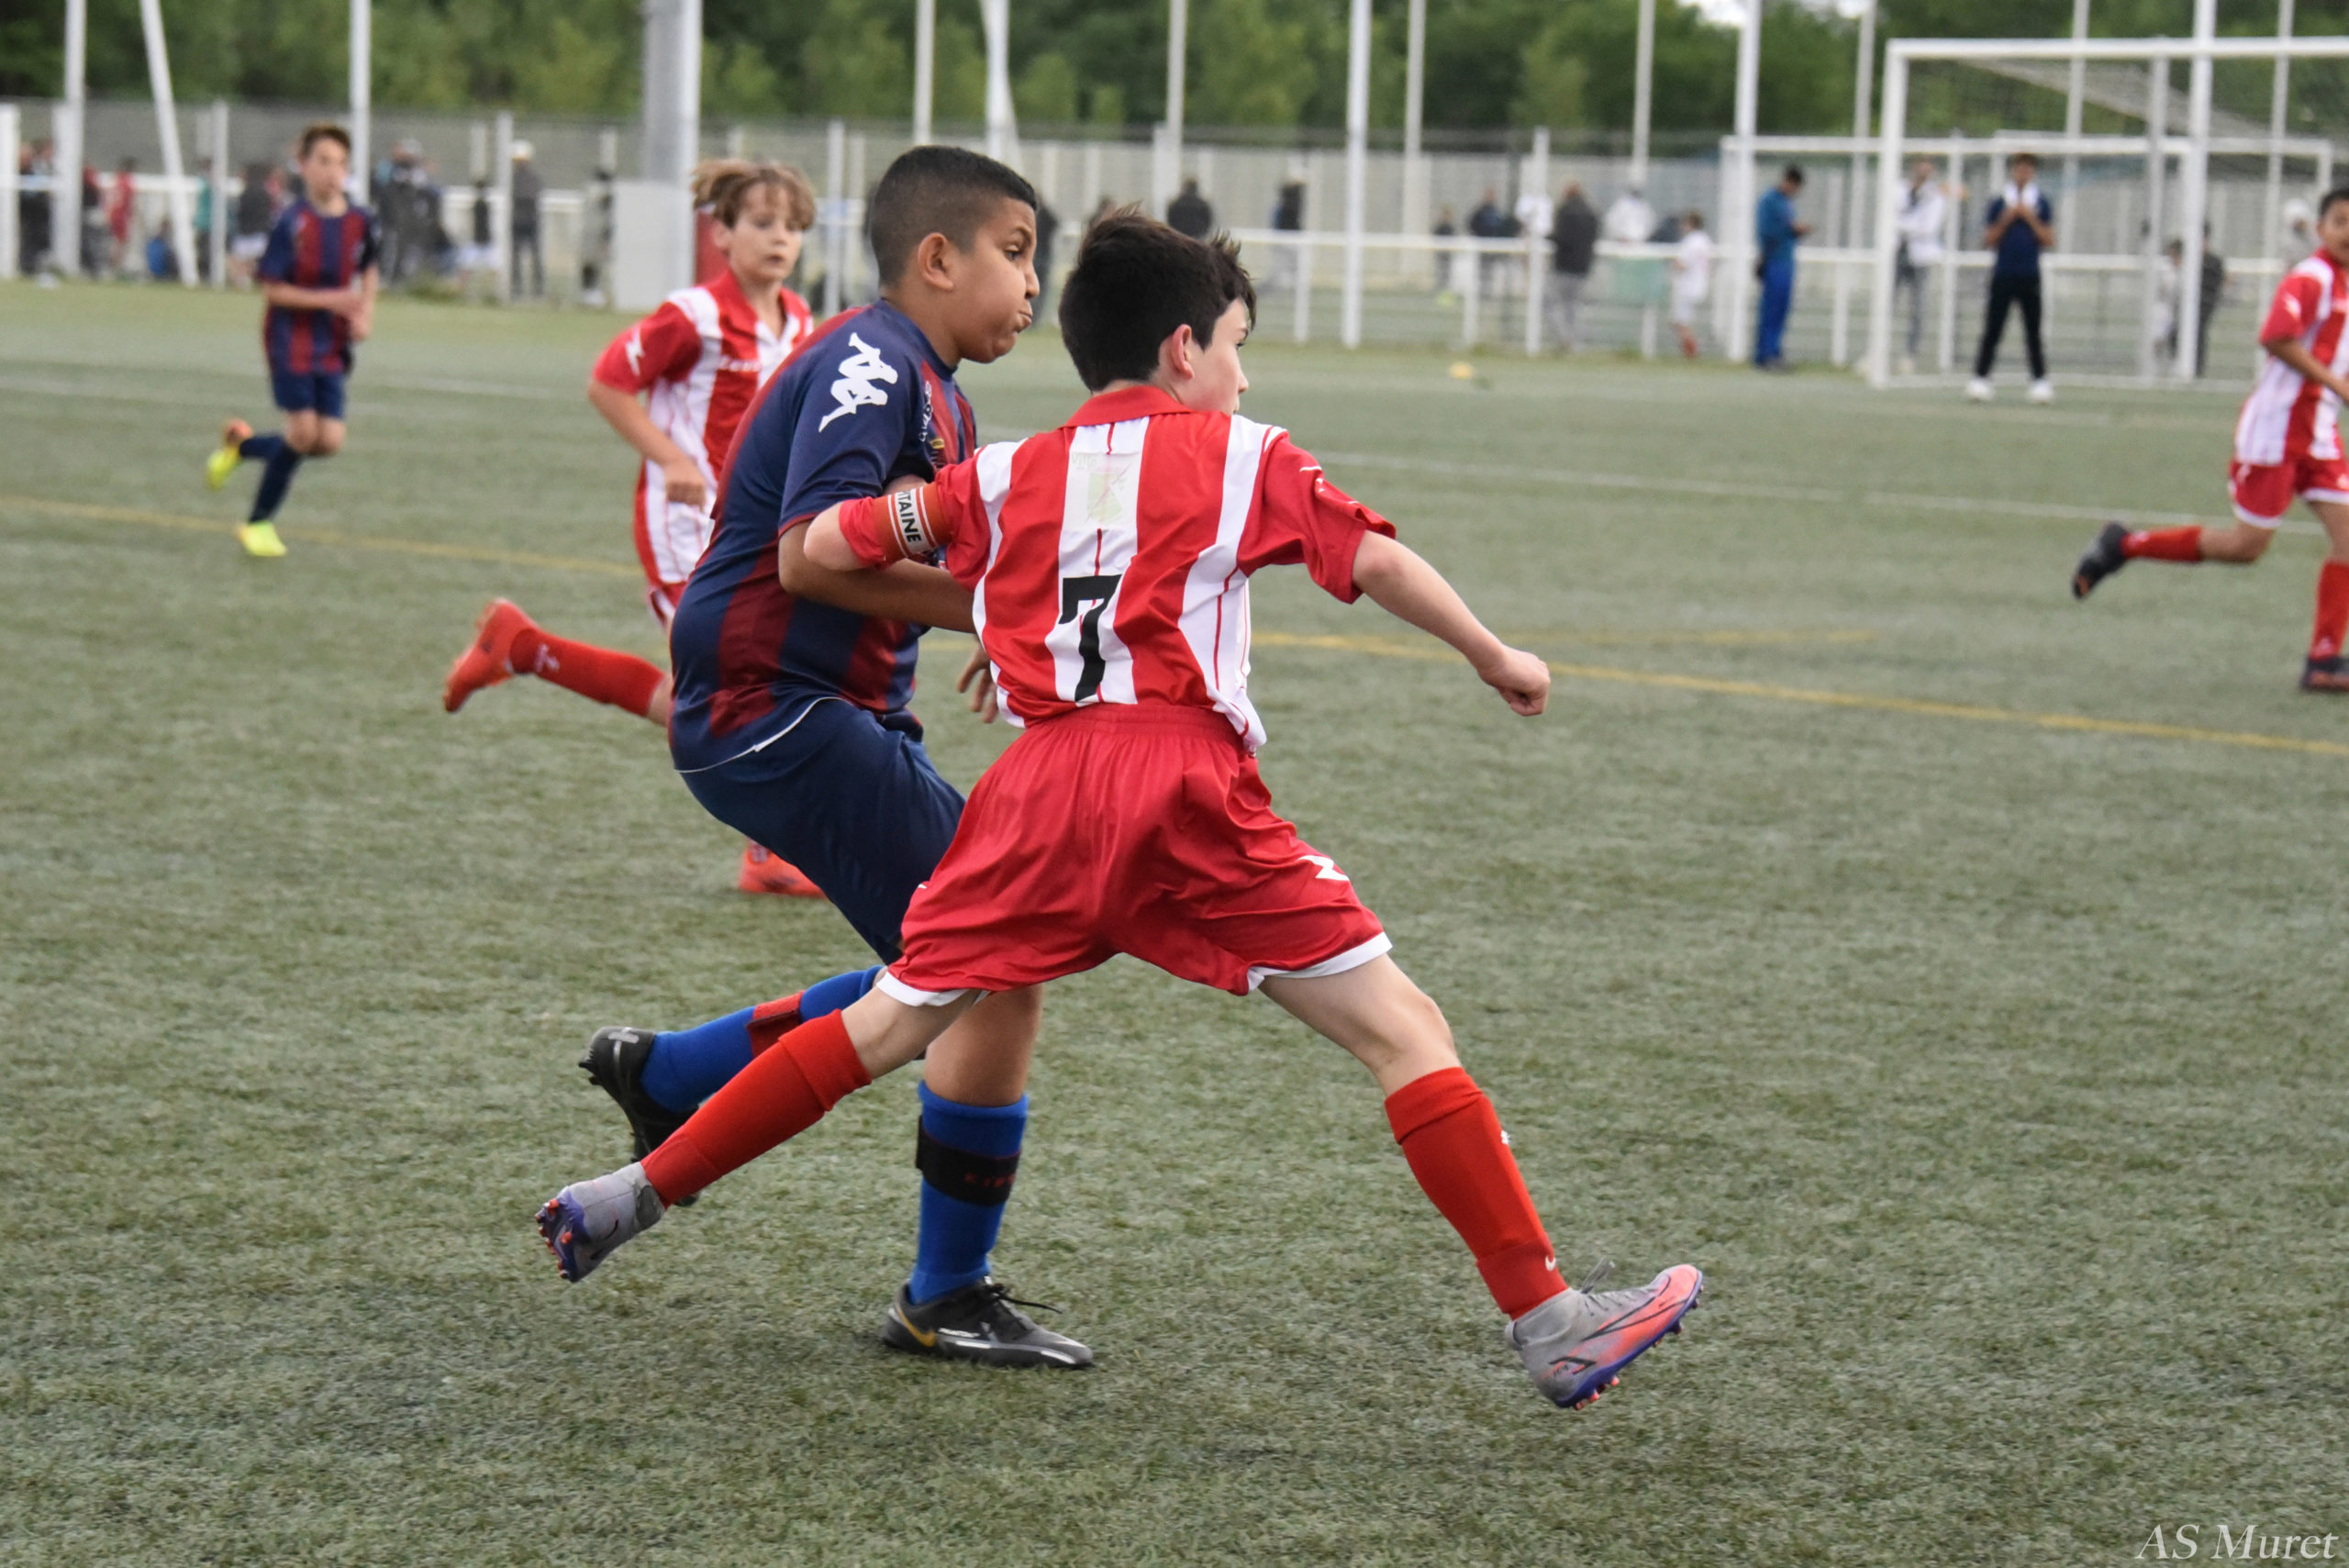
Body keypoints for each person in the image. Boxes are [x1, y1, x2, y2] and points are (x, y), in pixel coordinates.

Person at [536, 212, 1706, 1408]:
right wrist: (1495, 652)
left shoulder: (1007, 471)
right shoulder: (1242, 452)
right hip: (1181, 787)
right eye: (1237, 346)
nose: (1242, 376)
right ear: (1184, 347)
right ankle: (1548, 1316)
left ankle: (628, 1195)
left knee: (890, 1023)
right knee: (1402, 1029)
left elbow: (836, 539)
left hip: (1038, 793)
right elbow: (1374, 560)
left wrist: (994, 590)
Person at [537, 146, 1089, 1369]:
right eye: (1015, 255)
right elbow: (809, 555)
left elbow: (922, 560)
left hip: (825, 713)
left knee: (963, 957)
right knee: (994, 956)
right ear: (935, 257)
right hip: (775, 705)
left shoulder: (934, 388)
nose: (1031, 284)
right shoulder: (870, 364)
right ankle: (943, 1292)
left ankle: (670, 1074)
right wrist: (998, 613)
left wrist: (991, 607)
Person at [443, 160, 822, 896]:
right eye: (762, 223)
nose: (780, 238)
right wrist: (672, 458)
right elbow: (609, 382)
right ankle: (767, 849)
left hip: (752, 531)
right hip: (682, 527)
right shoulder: (694, 315)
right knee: (742, 683)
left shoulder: (801, 321)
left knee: (711, 696)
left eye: (792, 226)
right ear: (721, 234)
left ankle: (526, 648)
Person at [2071, 186, 2349, 695]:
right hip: (2276, 431)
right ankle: (2125, 544)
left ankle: (2324, 660)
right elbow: (2275, 335)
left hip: (2318, 432)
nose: (2347, 232)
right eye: (2340, 221)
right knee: (2246, 547)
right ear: (2320, 228)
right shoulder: (2311, 277)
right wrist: (2335, 384)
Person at [202, 124, 377, 559]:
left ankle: (241, 447)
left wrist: (364, 313)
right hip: (290, 337)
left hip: (332, 341)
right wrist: (331, 300)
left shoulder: (360, 220)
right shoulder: (292, 222)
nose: (333, 172)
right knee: (301, 433)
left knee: (328, 441)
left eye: (341, 163)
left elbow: (370, 266)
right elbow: (272, 289)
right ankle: (257, 523)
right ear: (303, 166)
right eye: (323, 161)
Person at [1965, 151, 2054, 404]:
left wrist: (2029, 217)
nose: (2023, 174)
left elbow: (2048, 239)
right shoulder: (1999, 203)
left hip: (2029, 274)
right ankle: (1980, 379)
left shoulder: (2040, 203)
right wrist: (2007, 218)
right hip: (2003, 274)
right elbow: (1988, 239)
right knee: (1993, 329)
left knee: (2033, 332)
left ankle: (2040, 381)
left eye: (2028, 169)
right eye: (2019, 169)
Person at [1893, 157, 1946, 375]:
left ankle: (1910, 355)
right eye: (1920, 163)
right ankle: (1876, 351)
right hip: (1897, 252)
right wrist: (1908, 224)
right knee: (1887, 304)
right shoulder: (1899, 189)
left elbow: (1928, 228)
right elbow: (1888, 218)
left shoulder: (1935, 196)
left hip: (1920, 257)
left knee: (1917, 308)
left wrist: (1903, 224)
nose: (1923, 168)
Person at [1753, 164, 1807, 370]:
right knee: (1772, 310)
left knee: (1781, 309)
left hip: (1785, 260)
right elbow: (1769, 232)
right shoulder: (1770, 200)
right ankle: (1766, 354)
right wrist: (1763, 258)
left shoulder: (1784, 202)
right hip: (1775, 260)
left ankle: (1773, 351)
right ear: (1790, 182)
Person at [1546, 182, 1598, 352]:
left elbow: (1562, 237)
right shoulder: (1592, 213)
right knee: (1574, 307)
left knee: (1551, 303)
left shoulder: (1565, 212)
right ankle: (1576, 343)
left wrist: (1546, 236)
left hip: (1564, 266)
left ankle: (1564, 339)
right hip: (1583, 267)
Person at [1669, 210, 1712, 360]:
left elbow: (1682, 264)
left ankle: (1692, 351)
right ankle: (1691, 350)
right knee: (1684, 320)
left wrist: (1673, 263)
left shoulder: (1690, 241)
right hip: (1700, 284)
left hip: (1688, 286)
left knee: (1681, 321)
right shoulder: (1705, 241)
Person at [510, 141, 544, 299]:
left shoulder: (532, 178)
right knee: (515, 256)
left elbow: (530, 196)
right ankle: (516, 288)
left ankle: (538, 289)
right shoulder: (513, 178)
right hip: (518, 221)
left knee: (535, 256)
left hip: (530, 220)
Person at [107, 157, 138, 276]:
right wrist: (132, 216)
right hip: (121, 216)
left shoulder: (116, 180)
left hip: (113, 214)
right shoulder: (127, 183)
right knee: (121, 242)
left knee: (116, 241)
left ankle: (114, 268)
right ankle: (116, 269)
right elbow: (130, 203)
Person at [1167, 176, 1213, 240]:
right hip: (1198, 236)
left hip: (1180, 236)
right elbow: (1208, 221)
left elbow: (1171, 220)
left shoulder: (1176, 203)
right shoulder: (1203, 204)